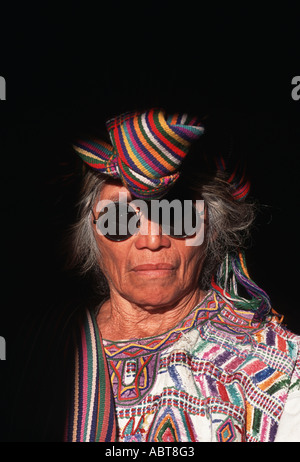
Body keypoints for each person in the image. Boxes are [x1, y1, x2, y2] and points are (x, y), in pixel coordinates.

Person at [64, 108, 300, 442]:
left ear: (212, 230)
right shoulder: (44, 352)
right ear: (92, 232)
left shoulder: (280, 369)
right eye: (119, 219)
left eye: (177, 216)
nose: (152, 240)